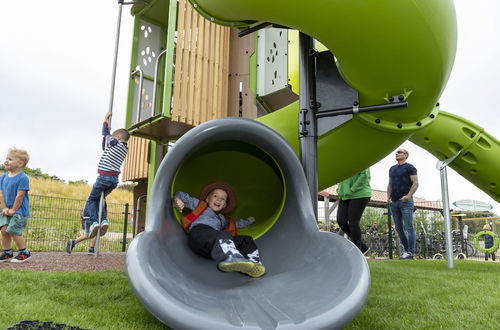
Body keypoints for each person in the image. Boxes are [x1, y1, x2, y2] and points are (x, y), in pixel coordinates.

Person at [173, 181, 265, 278]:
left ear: (224, 205)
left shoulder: (222, 219)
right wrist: (177, 200)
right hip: (199, 235)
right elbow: (182, 195)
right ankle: (231, 257)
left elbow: (235, 224)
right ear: (208, 199)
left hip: (212, 248)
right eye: (215, 196)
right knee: (223, 235)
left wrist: (248, 221)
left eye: (223, 199)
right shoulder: (201, 206)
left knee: (246, 239)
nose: (219, 200)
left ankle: (252, 264)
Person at [86, 112, 129, 239]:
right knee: (101, 199)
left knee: (92, 199)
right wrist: (108, 136)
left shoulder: (115, 143)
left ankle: (94, 222)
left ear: (119, 137)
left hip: (104, 177)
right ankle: (104, 220)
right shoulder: (124, 148)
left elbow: (105, 132)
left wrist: (105, 120)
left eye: (115, 136)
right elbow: (104, 145)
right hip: (114, 180)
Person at [0, 148, 32, 263]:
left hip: (19, 211)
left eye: (10, 159)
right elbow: (1, 193)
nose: (6, 161)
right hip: (7, 209)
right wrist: (4, 207)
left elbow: (20, 196)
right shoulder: (3, 177)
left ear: (20, 163)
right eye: (6, 158)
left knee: (13, 230)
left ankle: (24, 252)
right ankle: (7, 252)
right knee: (4, 230)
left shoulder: (23, 178)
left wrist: (13, 210)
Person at [387, 148, 419, 259]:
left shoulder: (410, 167)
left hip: (406, 202)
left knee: (409, 227)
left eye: (399, 152)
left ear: (405, 155)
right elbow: (390, 184)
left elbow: (415, 183)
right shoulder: (392, 168)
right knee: (399, 228)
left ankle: (411, 252)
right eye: (396, 152)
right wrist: (388, 197)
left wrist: (408, 196)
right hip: (394, 202)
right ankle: (407, 251)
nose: (396, 153)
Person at [336, 168, 371, 255]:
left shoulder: (361, 158)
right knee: (341, 220)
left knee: (353, 222)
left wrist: (352, 189)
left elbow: (364, 176)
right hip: (344, 195)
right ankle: (362, 246)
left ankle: (357, 252)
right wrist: (340, 190)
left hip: (359, 194)